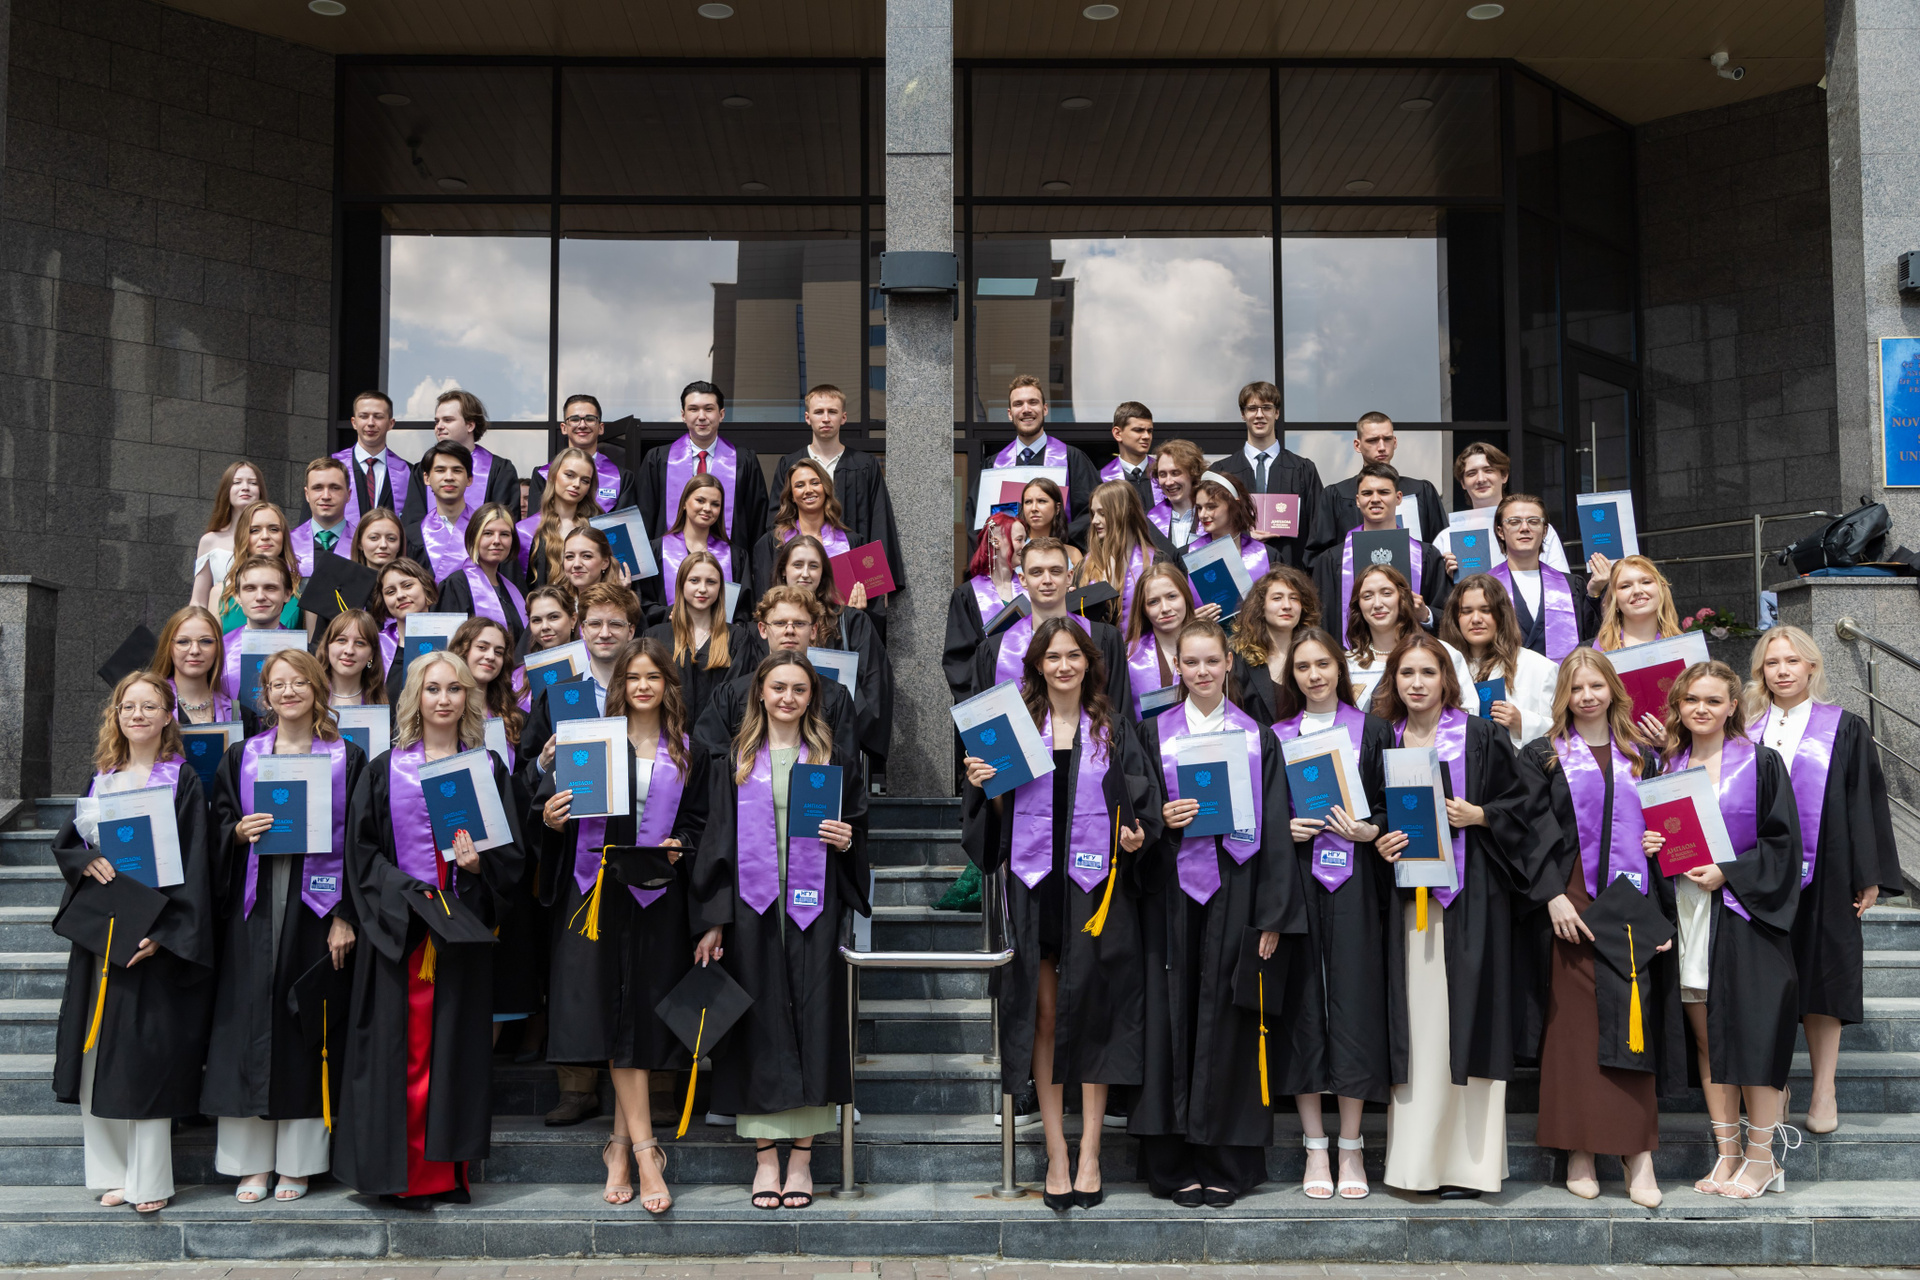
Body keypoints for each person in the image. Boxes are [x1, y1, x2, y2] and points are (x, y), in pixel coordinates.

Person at [961, 618, 1160, 1209]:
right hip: (1036, 888)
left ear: (1089, 662)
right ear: (1037, 666)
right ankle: (1056, 1152)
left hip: (1095, 891)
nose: (1064, 666)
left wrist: (1136, 837)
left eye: (1074, 655)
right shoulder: (1016, 730)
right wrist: (987, 787)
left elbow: (1140, 809)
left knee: (1093, 1012)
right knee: (1044, 1017)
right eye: (1053, 657)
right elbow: (993, 823)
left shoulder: (1114, 729)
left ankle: (1091, 1150)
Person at [334, 651, 525, 1204]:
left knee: (453, 1057)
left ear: (469, 698)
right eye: (433, 688)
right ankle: (399, 1177)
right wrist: (408, 893)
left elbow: (513, 857)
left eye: (455, 689)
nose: (444, 699)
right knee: (402, 1055)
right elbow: (362, 854)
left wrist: (480, 867)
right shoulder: (384, 769)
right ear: (415, 697)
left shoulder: (487, 768)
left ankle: (445, 1175)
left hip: (460, 931)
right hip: (400, 934)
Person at [1133, 618, 1306, 1207]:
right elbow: (1135, 813)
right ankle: (1173, 1163)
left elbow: (1278, 827)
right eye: (1191, 662)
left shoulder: (1259, 739)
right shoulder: (1153, 733)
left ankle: (1226, 1163)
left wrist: (1273, 915)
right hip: (1171, 894)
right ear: (1176, 668)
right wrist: (1160, 818)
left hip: (1239, 890)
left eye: (1212, 660)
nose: (1202, 671)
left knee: (1231, 1026)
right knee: (1171, 1023)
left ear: (1230, 663)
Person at [536, 637, 708, 1213]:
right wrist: (552, 819)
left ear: (668, 685)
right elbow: (553, 807)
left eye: (652, 677)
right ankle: (645, 1151)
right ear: (620, 685)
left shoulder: (690, 752)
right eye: (632, 677)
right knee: (613, 1015)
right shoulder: (590, 741)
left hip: (657, 894)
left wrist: (682, 841)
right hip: (595, 894)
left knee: (635, 1019)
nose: (642, 686)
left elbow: (702, 820)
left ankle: (618, 1144)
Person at [691, 651, 868, 1210]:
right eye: (778, 687)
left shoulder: (833, 758)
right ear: (760, 694)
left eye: (799, 688)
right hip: (752, 908)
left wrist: (847, 841)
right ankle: (766, 1156)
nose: (788, 697)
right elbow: (716, 841)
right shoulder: (736, 761)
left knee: (816, 1022)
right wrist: (714, 919)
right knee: (756, 1026)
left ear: (813, 696)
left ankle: (802, 1160)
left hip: (815, 906)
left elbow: (857, 827)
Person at [1372, 634, 1543, 1198]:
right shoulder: (1384, 738)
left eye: (1428, 672)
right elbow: (1375, 810)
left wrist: (1481, 815)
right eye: (1406, 673)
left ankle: (1471, 1167)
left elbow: (1524, 805)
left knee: (1471, 1023)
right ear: (1393, 681)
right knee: (1420, 1030)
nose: (1417, 683)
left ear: (1447, 679)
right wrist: (1382, 838)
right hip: (1408, 904)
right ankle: (1416, 1164)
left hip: (1473, 898)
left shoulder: (1481, 735)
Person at [1516, 648, 1679, 1210]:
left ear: (1613, 689)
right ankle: (1579, 1150)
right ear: (1563, 694)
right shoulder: (1542, 755)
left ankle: (1639, 1153)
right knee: (1575, 1029)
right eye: (1577, 687)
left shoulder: (1645, 756)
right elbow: (1527, 833)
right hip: (1571, 904)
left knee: (1633, 1020)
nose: (1587, 696)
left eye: (1596, 685)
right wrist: (1551, 896)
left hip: (1630, 904)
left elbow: (1669, 831)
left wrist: (1662, 908)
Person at [50, 674, 216, 1213]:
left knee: (145, 1059)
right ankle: (111, 1172)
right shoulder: (103, 776)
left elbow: (197, 863)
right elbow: (68, 842)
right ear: (116, 715)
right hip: (102, 931)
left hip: (152, 933)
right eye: (128, 706)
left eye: (149, 706)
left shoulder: (182, 780)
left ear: (169, 715)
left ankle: (150, 1181)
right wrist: (84, 860)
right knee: (95, 1051)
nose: (137, 714)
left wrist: (165, 935)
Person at [204, 649, 365, 1203]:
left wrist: (345, 913)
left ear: (317, 688)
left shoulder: (348, 758)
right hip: (254, 906)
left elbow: (361, 843)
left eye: (299, 682)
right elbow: (217, 822)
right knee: (248, 1025)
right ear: (265, 695)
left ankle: (299, 1161)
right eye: (278, 684)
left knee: (306, 1026)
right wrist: (236, 832)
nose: (289, 691)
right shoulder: (242, 755)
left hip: (316, 908)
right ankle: (250, 1162)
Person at [1642, 661, 1803, 1200]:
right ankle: (1728, 1153)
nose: (1702, 709)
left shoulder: (1761, 763)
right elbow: (1651, 839)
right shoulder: (1664, 767)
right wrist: (1650, 846)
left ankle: (1762, 1158)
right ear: (1678, 706)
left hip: (1743, 914)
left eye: (1713, 700)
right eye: (1692, 700)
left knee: (1753, 1037)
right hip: (1687, 914)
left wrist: (1728, 872)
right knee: (1708, 1040)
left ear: (1734, 706)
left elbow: (1784, 845)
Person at [1743, 626, 1900, 1135]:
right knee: (1764, 983)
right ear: (1760, 672)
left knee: (1824, 978)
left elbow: (1864, 801)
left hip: (1828, 869)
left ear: (1811, 666)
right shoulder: (1745, 728)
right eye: (1772, 663)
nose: (1783, 671)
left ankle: (1824, 1088)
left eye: (1792, 661)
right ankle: (1774, 1087)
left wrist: (1868, 875)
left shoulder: (1845, 727)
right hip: (1758, 873)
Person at [1271, 626, 1395, 1200]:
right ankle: (1314, 1145)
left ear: (1338, 669)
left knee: (1354, 1004)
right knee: (1301, 1005)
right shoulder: (1275, 737)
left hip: (1357, 884)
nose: (1314, 675)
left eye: (1323, 664)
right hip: (1297, 881)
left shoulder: (1372, 730)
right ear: (1291, 676)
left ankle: (1351, 1145)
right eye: (1303, 667)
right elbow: (1259, 816)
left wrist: (1371, 831)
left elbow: (1392, 811)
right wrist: (1283, 829)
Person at [767, 384, 906, 601]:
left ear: (843, 417)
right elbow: (778, 520)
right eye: (819, 412)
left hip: (852, 580)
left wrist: (877, 587)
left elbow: (879, 521)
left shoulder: (864, 465)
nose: (825, 418)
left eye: (832, 412)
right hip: (800, 576)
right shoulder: (790, 464)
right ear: (807, 418)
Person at [766, 534, 893, 769]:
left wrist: (844, 722)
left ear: (823, 573)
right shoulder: (767, 623)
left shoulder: (850, 621)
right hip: (772, 742)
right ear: (783, 570)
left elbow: (873, 684)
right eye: (798, 565)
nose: (805, 573)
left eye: (814, 566)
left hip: (834, 742)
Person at [692, 588, 859, 760]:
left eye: (799, 623)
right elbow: (710, 759)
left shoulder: (835, 696)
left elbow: (847, 765)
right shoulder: (732, 694)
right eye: (780, 623)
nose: (789, 630)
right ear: (763, 629)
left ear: (814, 630)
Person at [971, 538, 1130, 718]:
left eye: (1055, 571)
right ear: (1023, 579)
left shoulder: (1103, 638)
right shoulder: (995, 650)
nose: (1047, 580)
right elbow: (984, 723)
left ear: (1069, 577)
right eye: (1036, 572)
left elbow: (1119, 714)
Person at [1313, 462, 1450, 649]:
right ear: (1357, 500)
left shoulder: (1426, 556)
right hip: (1352, 660)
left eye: (1384, 492)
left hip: (1412, 659)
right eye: (1367, 493)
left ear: (1398, 498)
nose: (1375, 499)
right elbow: (1323, 623)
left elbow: (1446, 614)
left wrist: (1425, 614)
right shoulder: (1331, 560)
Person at [1204, 381, 1323, 569]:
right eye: (1252, 409)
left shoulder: (1303, 469)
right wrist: (1243, 536)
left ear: (1277, 413)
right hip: (1238, 573)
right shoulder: (1221, 472)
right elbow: (1207, 526)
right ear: (1243, 414)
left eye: (1266, 408)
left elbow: (1318, 529)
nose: (1259, 415)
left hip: (1290, 571)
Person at [636, 381, 768, 551]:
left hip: (729, 560)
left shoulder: (744, 461)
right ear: (683, 415)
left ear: (721, 414)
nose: (701, 416)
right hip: (669, 559)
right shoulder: (658, 459)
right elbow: (645, 516)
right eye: (693, 409)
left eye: (708, 409)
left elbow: (757, 519)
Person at [1307, 412, 1449, 563]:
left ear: (1395, 442)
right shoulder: (1337, 494)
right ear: (1357, 445)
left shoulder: (1421, 491)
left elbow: (1442, 546)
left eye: (1387, 439)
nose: (1381, 447)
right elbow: (1318, 558)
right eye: (1372, 440)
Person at [968, 375, 1100, 536]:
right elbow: (978, 522)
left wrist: (1058, 539)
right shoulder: (994, 465)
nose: (1026, 410)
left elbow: (1091, 512)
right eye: (1018, 404)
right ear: (1010, 413)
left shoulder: (1072, 459)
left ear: (1045, 409)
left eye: (1033, 402)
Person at [1440, 575, 1559, 747]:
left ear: (1501, 615)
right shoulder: (1442, 667)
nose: (1476, 619)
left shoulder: (1540, 668)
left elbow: (1561, 731)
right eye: (1466, 611)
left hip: (1517, 762)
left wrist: (1522, 722)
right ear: (1455, 618)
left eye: (1486, 610)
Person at [1483, 494, 1601, 660]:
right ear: (1500, 531)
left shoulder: (1571, 585)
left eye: (1533, 521)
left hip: (1561, 676)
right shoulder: (1484, 587)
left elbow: (1594, 638)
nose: (1525, 528)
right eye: (1514, 522)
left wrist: (1595, 595)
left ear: (1544, 531)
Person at [1342, 565, 1474, 713]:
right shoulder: (1348, 664)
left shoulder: (1442, 652)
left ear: (1402, 598)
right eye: (1367, 596)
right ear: (1358, 605)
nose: (1377, 604)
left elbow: (1469, 710)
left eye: (1386, 593)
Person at [1432, 441, 1574, 574]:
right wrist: (1446, 578)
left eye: (1488, 470)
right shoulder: (1447, 538)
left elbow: (1559, 581)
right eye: (1471, 473)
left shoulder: (1534, 527)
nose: (1481, 479)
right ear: (1463, 483)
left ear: (1504, 476)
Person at [645, 551, 751, 718]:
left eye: (711, 582)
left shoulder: (737, 639)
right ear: (681, 584)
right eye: (694, 580)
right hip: (667, 731)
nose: (702, 589)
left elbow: (738, 699)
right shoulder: (656, 637)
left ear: (720, 588)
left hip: (719, 732)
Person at [944, 513, 1027, 702]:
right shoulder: (967, 595)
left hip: (1032, 693)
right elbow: (960, 659)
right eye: (1019, 540)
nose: (1024, 546)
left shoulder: (1030, 588)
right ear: (996, 541)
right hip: (990, 693)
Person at [1229, 567, 1321, 727]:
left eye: (1294, 598)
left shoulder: (1318, 653)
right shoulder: (1237, 659)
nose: (1287, 605)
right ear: (1261, 606)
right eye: (1277, 598)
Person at [753, 458, 857, 595]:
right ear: (791, 496)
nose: (808, 490)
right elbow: (763, 598)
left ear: (826, 489)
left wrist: (857, 606)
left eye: (815, 483)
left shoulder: (852, 542)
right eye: (799, 485)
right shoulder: (771, 543)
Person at [1121, 563, 1212, 720]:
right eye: (1153, 602)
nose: (1165, 608)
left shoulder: (1212, 645)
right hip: (1148, 735)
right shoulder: (1127, 656)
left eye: (1172, 597)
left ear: (1185, 597)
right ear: (1143, 609)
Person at [1076, 480, 1169, 627]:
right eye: (1093, 514)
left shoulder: (1156, 561)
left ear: (1125, 512)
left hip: (1144, 641)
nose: (1094, 521)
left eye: (1102, 514)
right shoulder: (1086, 565)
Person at [527, 394, 636, 515]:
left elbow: (624, 524)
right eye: (574, 419)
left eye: (590, 419)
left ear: (601, 428)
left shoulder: (622, 478)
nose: (582, 425)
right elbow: (536, 523)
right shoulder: (543, 476)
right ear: (564, 428)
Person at [435, 502, 528, 642]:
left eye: (504, 534)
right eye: (488, 533)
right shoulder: (455, 586)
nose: (497, 541)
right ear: (474, 538)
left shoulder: (513, 591)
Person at [653, 473, 743, 612]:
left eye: (715, 504)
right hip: (668, 625)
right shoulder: (658, 549)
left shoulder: (734, 556)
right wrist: (669, 614)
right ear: (684, 503)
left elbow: (742, 610)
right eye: (700, 501)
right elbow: (645, 603)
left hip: (720, 626)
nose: (707, 508)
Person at [333, 390, 426, 525]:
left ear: (391, 423)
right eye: (364, 416)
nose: (371, 423)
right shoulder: (331, 468)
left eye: (378, 416)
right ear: (354, 422)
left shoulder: (409, 472)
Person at [150, 605, 248, 729]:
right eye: (183, 641)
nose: (195, 650)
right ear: (169, 647)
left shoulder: (238, 714)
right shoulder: (149, 706)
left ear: (218, 648)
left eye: (205, 641)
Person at [220, 557, 300, 705]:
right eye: (250, 588)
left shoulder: (303, 651)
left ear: (287, 594)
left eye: (270, 588)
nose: (260, 597)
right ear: (237, 596)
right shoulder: (220, 649)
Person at [517, 447, 602, 586]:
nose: (576, 484)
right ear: (552, 476)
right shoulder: (525, 531)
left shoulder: (599, 527)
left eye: (585, 481)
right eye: (569, 475)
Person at [218, 502, 304, 631]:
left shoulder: (303, 590)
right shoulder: (220, 592)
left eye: (273, 529)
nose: (265, 536)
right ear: (243, 536)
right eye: (254, 530)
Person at [432, 388, 521, 512]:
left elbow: (505, 520)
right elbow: (414, 520)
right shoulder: (423, 469)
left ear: (470, 426)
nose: (439, 426)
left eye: (448, 420)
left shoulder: (499, 470)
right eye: (437, 421)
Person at [193, 460, 266, 609]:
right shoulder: (210, 541)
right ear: (226, 489)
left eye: (253, 483)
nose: (245, 487)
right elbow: (198, 601)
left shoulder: (269, 539)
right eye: (237, 482)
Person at [406, 441, 480, 583]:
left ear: (469, 479)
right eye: (440, 470)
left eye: (457, 470)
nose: (449, 477)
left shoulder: (487, 530)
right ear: (426, 478)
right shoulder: (412, 536)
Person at [371, 559, 439, 704]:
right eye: (390, 592)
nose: (400, 595)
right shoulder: (376, 647)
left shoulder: (454, 638)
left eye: (407, 586)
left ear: (426, 586)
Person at [1187, 471, 1271, 581]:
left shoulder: (1266, 555)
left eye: (1211, 507)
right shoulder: (1187, 554)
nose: (1202, 515)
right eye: (1199, 508)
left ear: (1235, 505)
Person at [1595, 555, 1684, 652]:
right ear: (1614, 600)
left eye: (1646, 582)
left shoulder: (1683, 646)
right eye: (1625, 586)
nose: (1637, 591)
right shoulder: (1601, 650)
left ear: (1661, 589)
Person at [290, 458, 354, 578]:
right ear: (307, 494)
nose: (326, 496)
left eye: (335, 488)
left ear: (349, 495)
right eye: (317, 488)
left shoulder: (362, 544)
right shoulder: (288, 544)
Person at [1100, 400, 1163, 512]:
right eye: (1139, 430)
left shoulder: (1163, 474)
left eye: (1149, 431)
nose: (1147, 436)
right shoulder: (1101, 479)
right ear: (1117, 434)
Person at [1147, 440, 1207, 553]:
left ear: (1193, 473)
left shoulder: (1212, 517)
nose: (1168, 482)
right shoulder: (1150, 521)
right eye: (1162, 474)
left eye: (1175, 473)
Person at [320, 610, 387, 708]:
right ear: (327, 647)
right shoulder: (310, 697)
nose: (349, 651)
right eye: (341, 640)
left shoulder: (380, 702)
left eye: (360, 643)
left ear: (371, 654)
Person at [1019, 477, 1080, 565]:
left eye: (1041, 501)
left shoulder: (1073, 555)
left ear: (1057, 508)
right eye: (1028, 502)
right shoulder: (1014, 551)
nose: (1033, 508)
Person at [561, 525, 634, 598]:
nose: (576, 564)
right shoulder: (559, 600)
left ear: (605, 563)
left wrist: (620, 598)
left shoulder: (619, 602)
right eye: (569, 556)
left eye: (586, 556)